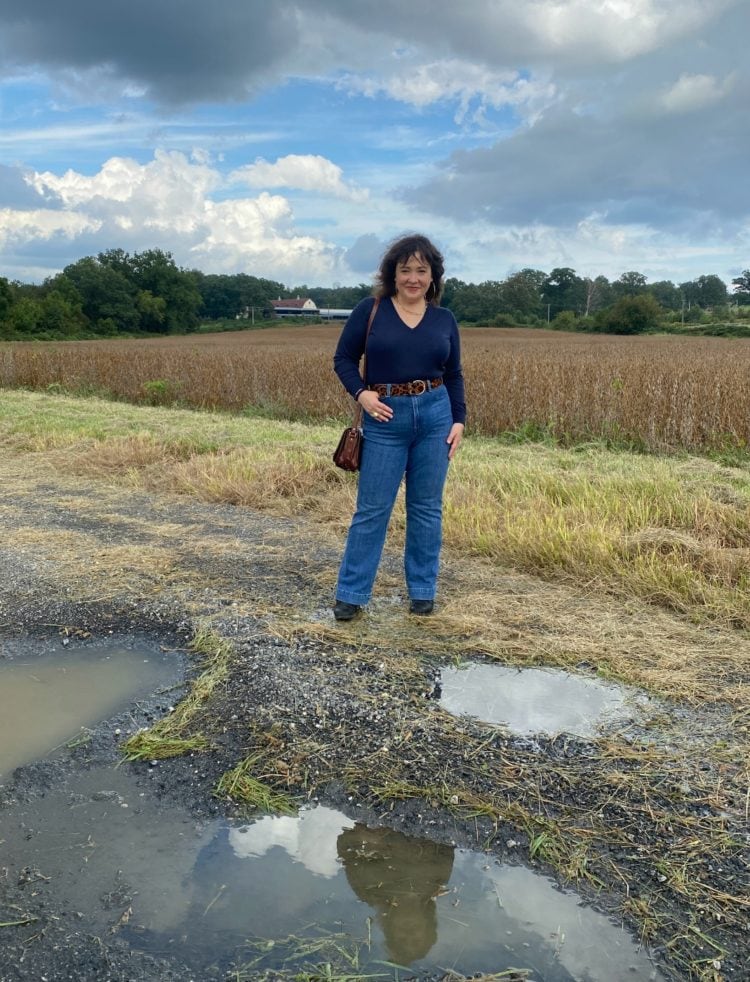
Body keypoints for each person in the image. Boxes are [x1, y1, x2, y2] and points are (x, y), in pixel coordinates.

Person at [332, 233, 466, 620]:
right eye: (405, 269)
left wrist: (459, 420)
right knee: (372, 510)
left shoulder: (444, 319)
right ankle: (351, 595)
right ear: (393, 273)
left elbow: (454, 373)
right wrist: (362, 394)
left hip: (436, 416)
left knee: (426, 508)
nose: (413, 278)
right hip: (384, 417)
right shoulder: (370, 310)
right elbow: (343, 358)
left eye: (421, 270)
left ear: (433, 276)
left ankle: (423, 593)